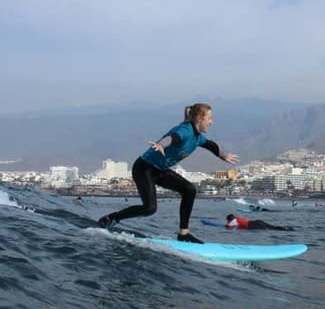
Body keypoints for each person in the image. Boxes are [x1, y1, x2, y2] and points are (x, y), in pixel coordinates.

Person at [98, 103, 238, 243]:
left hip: (160, 170)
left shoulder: (197, 137)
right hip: (144, 168)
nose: (211, 122)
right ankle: (112, 218)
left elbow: (210, 145)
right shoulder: (185, 130)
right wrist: (161, 145)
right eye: (209, 118)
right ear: (199, 118)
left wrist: (223, 156)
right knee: (149, 208)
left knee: (189, 189)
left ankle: (184, 233)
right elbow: (173, 137)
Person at [225, 213, 294, 231]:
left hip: (253, 225)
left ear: (230, 219)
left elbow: (228, 226)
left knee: (271, 229)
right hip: (257, 222)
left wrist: (226, 225)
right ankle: (286, 228)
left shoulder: (234, 221)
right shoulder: (237, 218)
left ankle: (286, 229)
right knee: (273, 227)